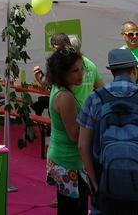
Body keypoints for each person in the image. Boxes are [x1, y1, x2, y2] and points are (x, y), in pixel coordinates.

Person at [78, 49, 138, 215]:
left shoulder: (95, 98)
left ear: (111, 71)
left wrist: (95, 183)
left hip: (105, 180)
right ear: (134, 70)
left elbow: (83, 146)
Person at [45, 47, 89, 215]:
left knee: (69, 207)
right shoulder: (65, 97)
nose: (80, 74)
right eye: (75, 71)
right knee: (73, 209)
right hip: (67, 162)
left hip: (63, 159)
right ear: (62, 73)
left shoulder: (59, 89)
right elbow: (74, 135)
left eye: (81, 69)